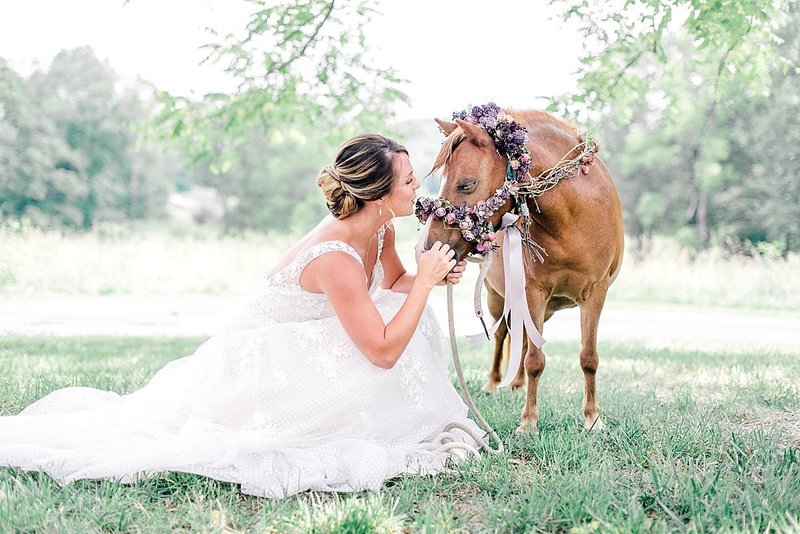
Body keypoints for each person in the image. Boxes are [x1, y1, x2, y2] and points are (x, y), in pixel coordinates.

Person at [0, 134, 483, 498]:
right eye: (409, 180)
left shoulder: (379, 227)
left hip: (311, 342)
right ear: (377, 195)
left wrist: (431, 277)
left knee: (407, 312)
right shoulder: (335, 257)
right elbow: (381, 351)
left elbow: (394, 284)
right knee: (398, 329)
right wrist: (424, 283)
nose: (419, 187)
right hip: (263, 364)